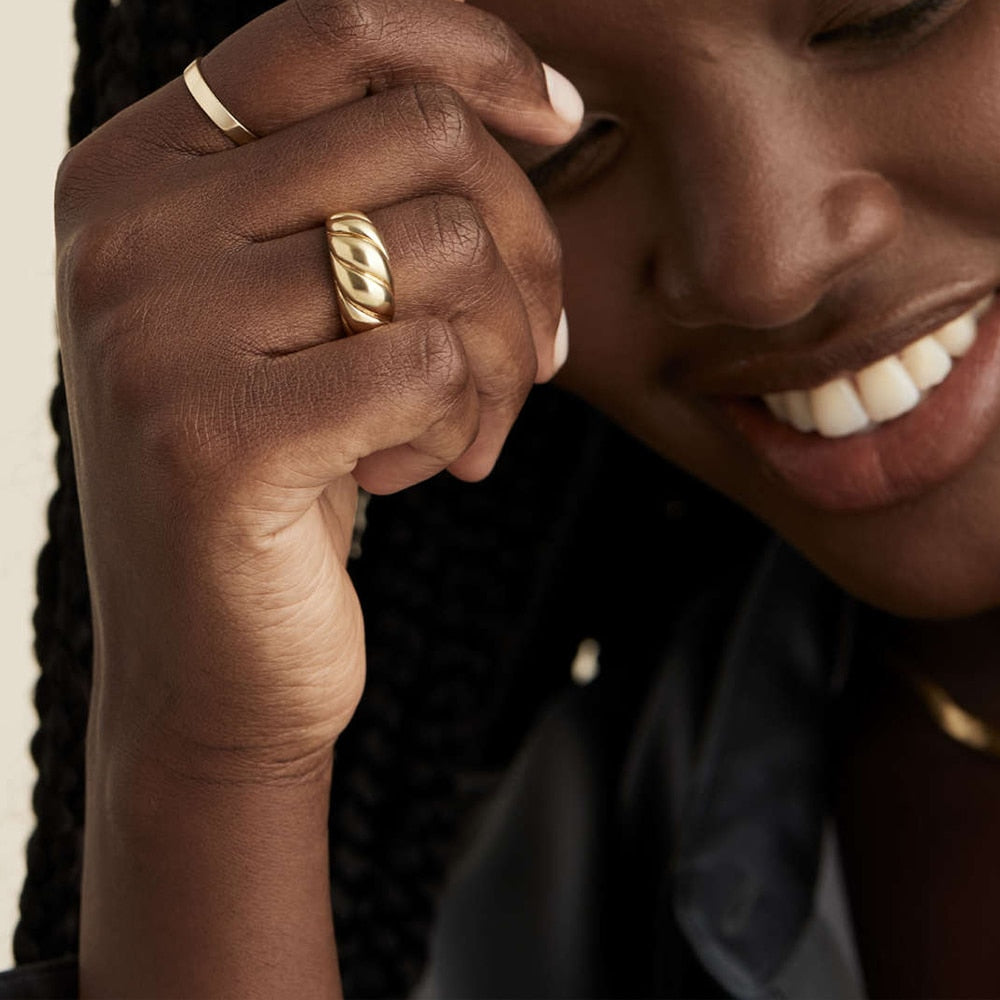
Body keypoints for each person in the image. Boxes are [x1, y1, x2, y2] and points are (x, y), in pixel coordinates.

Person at [4, 0, 1000, 995]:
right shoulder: (524, 883)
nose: (764, 271)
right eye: (563, 148)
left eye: (885, 15)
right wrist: (215, 761)